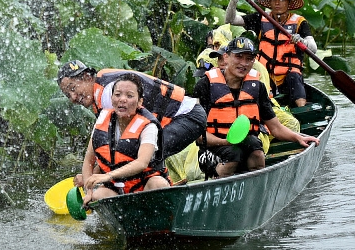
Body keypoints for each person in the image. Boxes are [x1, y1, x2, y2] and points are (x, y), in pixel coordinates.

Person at [193, 38, 319, 178]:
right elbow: (199, 136)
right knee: (233, 155)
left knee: (257, 151)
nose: (244, 63)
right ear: (226, 57)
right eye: (238, 57)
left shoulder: (257, 88)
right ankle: (218, 183)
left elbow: (275, 128)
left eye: (249, 58)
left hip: (242, 146)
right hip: (211, 150)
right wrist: (225, 142)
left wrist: (298, 138)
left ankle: (255, 187)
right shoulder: (205, 86)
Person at [57, 61, 206, 161]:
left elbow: (122, 144)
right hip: (179, 119)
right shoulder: (101, 94)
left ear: (87, 77)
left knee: (146, 155)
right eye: (67, 94)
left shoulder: (110, 93)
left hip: (186, 116)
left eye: (72, 88)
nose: (73, 97)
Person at [224, 0, 316, 108]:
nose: (277, 3)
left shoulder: (300, 22)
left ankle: (302, 110)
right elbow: (230, 20)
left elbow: (313, 48)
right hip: (265, 73)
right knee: (254, 82)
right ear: (270, 2)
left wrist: (301, 41)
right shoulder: (260, 18)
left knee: (294, 77)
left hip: (288, 75)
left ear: (289, 3)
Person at [81, 73, 169, 204]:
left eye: (129, 96)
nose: (122, 99)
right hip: (117, 188)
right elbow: (89, 159)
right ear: (111, 99)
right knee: (99, 194)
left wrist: (108, 175)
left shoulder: (148, 125)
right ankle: (120, 221)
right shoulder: (102, 119)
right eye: (117, 95)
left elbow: (142, 163)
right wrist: (88, 191)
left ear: (140, 102)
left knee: (159, 183)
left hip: (145, 187)